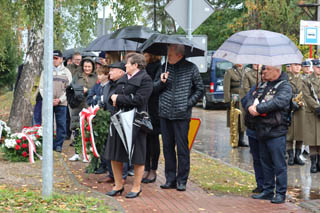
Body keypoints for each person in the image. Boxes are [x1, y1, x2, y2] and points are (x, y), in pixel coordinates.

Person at [105, 53, 153, 198]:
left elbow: (139, 100)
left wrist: (119, 98)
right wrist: (115, 98)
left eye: (128, 63)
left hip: (136, 121)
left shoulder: (145, 79)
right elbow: (112, 94)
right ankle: (118, 185)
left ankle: (136, 187)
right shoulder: (124, 78)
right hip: (118, 119)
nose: (125, 65)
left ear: (135, 65)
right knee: (115, 154)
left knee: (137, 155)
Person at [157, 44, 204, 192]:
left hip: (182, 115)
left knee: (182, 149)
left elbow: (200, 89)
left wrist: (187, 104)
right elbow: (153, 88)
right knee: (167, 148)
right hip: (164, 113)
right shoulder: (164, 67)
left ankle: (182, 180)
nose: (167, 57)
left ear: (179, 55)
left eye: (170, 54)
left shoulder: (191, 68)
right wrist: (161, 82)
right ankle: (170, 179)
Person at [245, 65, 292, 204]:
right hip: (262, 129)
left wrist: (258, 109)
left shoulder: (285, 86)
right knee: (265, 162)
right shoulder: (263, 85)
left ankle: (281, 193)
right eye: (263, 69)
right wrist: (250, 107)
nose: (263, 71)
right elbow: (250, 97)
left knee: (279, 164)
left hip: (276, 130)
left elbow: (279, 102)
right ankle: (268, 190)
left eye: (267, 69)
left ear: (277, 71)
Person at [98, 62, 129, 183]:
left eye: (112, 70)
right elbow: (105, 99)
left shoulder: (125, 84)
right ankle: (111, 174)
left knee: (121, 148)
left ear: (121, 72)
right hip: (108, 119)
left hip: (120, 119)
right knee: (109, 148)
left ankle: (122, 176)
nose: (109, 73)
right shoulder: (108, 85)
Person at [39, 50, 72, 152]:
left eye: (56, 58)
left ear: (61, 59)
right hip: (49, 103)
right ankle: (48, 144)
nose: (54, 60)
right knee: (48, 124)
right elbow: (41, 88)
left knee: (61, 124)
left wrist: (60, 99)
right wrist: (48, 99)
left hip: (62, 103)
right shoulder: (46, 71)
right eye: (52, 58)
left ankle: (58, 145)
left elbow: (69, 89)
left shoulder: (66, 72)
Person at [241, 64, 264, 193]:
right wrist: (252, 100)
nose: (263, 75)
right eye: (262, 73)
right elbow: (244, 101)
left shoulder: (277, 87)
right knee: (256, 158)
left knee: (265, 158)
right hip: (252, 127)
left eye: (265, 72)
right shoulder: (256, 87)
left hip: (266, 128)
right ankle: (260, 184)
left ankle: (268, 185)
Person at [69, 57, 97, 161]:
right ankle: (77, 152)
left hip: (89, 106)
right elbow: (72, 87)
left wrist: (88, 91)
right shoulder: (77, 76)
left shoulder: (95, 77)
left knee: (88, 129)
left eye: (89, 66)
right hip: (78, 106)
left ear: (92, 67)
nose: (87, 68)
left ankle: (88, 153)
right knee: (77, 129)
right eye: (85, 66)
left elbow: (97, 89)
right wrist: (81, 90)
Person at [141, 53, 162, 184]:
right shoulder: (143, 67)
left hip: (154, 108)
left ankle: (153, 169)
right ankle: (146, 167)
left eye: (146, 54)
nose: (143, 56)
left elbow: (157, 86)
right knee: (145, 140)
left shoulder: (159, 67)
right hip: (144, 106)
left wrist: (146, 87)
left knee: (153, 140)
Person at [302, 60, 320, 173]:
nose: (319, 69)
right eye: (318, 67)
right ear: (314, 68)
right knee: (312, 139)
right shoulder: (307, 79)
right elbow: (306, 95)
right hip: (312, 112)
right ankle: (313, 163)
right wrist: (316, 107)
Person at [224, 64, 248, 147]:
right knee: (234, 120)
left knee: (242, 120)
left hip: (243, 99)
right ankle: (234, 140)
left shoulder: (246, 71)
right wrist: (227, 100)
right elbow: (226, 87)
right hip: (234, 100)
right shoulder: (229, 72)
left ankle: (241, 140)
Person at [286, 63, 305, 166]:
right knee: (289, 133)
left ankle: (298, 155)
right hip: (289, 108)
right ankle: (291, 156)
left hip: (301, 108)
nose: (297, 67)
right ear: (291, 66)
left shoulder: (304, 79)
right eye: (295, 65)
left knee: (300, 133)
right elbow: (283, 92)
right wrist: (290, 102)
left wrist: (301, 102)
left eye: (299, 65)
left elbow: (308, 93)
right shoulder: (286, 78)